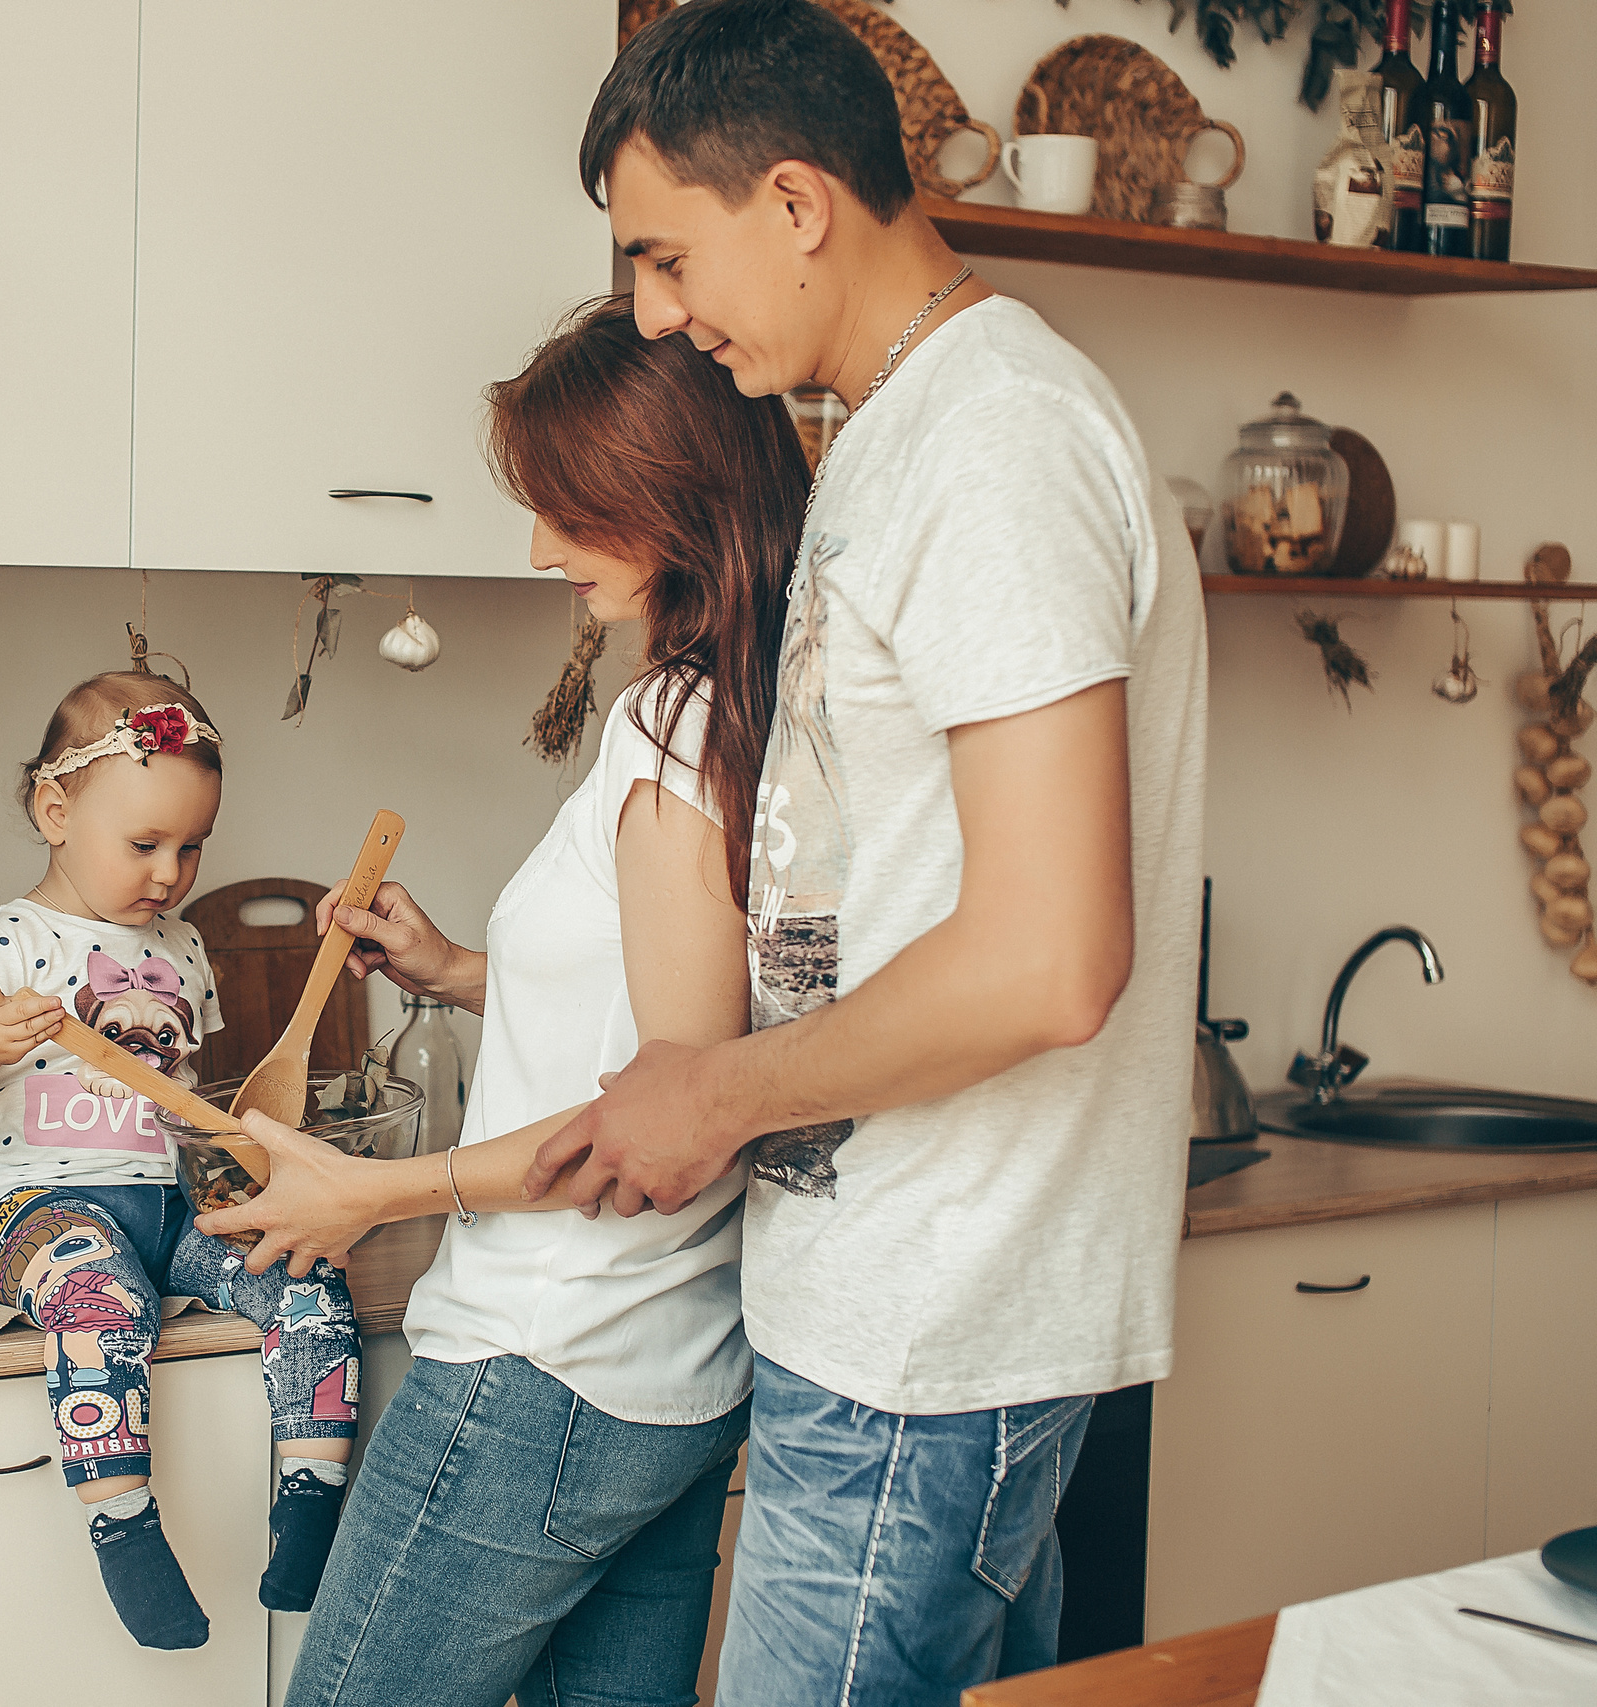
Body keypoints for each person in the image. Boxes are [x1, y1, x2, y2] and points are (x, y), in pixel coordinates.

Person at [521, 4, 1207, 1703]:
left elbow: (1052, 955)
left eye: (666, 256)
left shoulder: (996, 443)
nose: (656, 314)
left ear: (803, 204)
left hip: (933, 1334)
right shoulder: (899, 439)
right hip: (896, 1317)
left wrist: (724, 1086)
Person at [202, 295, 809, 1707]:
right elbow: (695, 1020)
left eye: (567, 508)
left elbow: (662, 1125)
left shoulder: (666, 727)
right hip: (678, 1381)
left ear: (668, 496)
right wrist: (466, 973)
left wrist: (367, 1191)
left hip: (541, 1365)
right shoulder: (758, 707)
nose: (540, 546)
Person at [0, 673, 364, 1650]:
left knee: (309, 1272)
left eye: (191, 845)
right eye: (145, 844)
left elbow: (188, 1098)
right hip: (31, 1208)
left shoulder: (186, 947)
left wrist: (245, 1170)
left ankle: (313, 1504)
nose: (171, 871)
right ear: (56, 811)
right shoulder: (0, 941)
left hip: (170, 1205)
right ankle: (121, 1523)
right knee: (98, 1296)